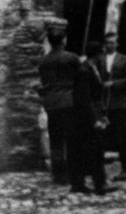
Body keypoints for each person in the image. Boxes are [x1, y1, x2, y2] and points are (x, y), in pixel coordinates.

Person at [69, 41, 117, 196]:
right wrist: (94, 119)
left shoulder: (92, 68)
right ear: (98, 54)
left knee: (91, 149)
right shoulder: (84, 70)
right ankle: (98, 185)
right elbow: (85, 98)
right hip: (86, 117)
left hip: (94, 113)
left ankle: (85, 183)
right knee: (94, 150)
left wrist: (102, 114)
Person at [38, 28, 80, 184]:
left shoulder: (43, 61)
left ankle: (58, 174)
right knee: (72, 138)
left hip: (51, 103)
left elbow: (44, 82)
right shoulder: (72, 58)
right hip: (69, 101)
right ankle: (73, 172)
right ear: (64, 40)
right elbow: (79, 79)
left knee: (55, 139)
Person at [99, 32, 126, 181]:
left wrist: (114, 83)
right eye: (107, 42)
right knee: (99, 136)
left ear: (117, 44)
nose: (110, 45)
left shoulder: (124, 60)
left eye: (112, 42)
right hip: (102, 103)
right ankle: (97, 170)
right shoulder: (99, 59)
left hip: (119, 103)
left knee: (122, 137)